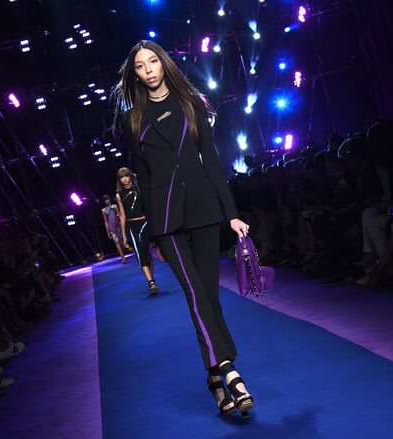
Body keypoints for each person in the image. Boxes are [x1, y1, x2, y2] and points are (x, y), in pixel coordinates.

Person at [113, 40, 253, 419]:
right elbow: (143, 177)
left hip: (204, 207)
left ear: (164, 64)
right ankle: (228, 368)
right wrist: (152, 234)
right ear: (134, 75)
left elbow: (211, 159)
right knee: (193, 291)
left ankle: (213, 379)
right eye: (140, 66)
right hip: (165, 218)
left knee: (209, 296)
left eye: (153, 62)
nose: (148, 70)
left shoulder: (190, 102)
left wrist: (231, 214)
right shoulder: (132, 119)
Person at [115, 167, 159, 295]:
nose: (124, 179)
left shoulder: (139, 189)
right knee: (140, 254)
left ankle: (151, 278)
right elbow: (122, 215)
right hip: (131, 227)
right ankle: (151, 282)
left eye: (126, 176)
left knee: (147, 254)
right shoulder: (119, 195)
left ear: (130, 176)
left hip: (145, 223)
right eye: (121, 177)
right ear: (119, 180)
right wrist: (124, 236)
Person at [101, 194, 126, 263]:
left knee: (121, 242)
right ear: (104, 201)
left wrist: (122, 224)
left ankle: (122, 253)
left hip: (118, 225)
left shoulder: (114, 206)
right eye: (105, 200)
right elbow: (105, 221)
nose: (107, 201)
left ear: (109, 199)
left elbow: (119, 215)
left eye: (107, 199)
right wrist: (107, 231)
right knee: (116, 242)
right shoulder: (103, 210)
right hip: (111, 227)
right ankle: (122, 257)